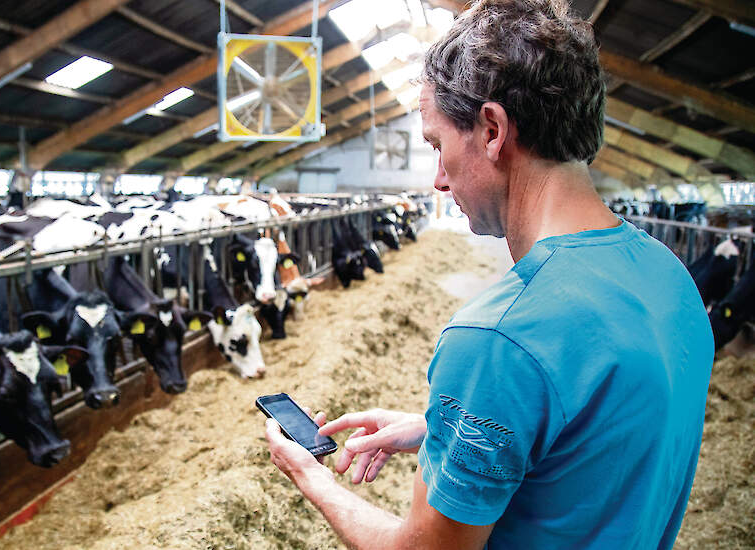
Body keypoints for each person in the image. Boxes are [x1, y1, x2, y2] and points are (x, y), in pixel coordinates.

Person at [264, 0, 713, 548]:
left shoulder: (500, 338)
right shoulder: (669, 277)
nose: (437, 180)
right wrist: (438, 430)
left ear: (493, 130)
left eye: (437, 144)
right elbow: (595, 442)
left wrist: (308, 476)